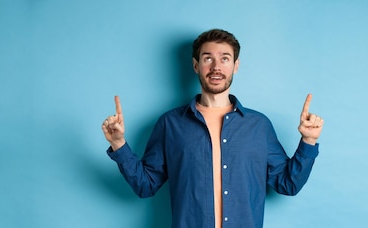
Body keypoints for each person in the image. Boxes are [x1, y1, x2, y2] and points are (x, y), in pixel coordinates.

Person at [102, 28, 324, 228]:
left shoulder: (259, 126)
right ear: (196, 65)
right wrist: (118, 144)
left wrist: (309, 142)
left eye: (225, 59)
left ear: (235, 66)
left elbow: (288, 184)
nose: (216, 67)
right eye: (208, 58)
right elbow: (146, 185)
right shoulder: (170, 124)